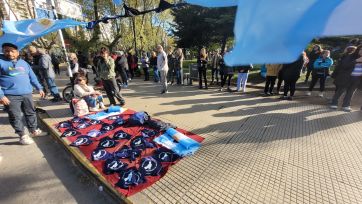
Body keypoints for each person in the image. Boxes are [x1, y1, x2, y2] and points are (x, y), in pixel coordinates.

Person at [0, 43, 47, 145]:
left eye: (12, 51)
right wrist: (1, 95)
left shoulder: (24, 63)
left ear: (17, 52)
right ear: (3, 51)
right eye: (6, 51)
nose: (9, 53)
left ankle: (34, 131)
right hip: (10, 96)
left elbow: (32, 77)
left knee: (31, 112)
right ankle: (22, 135)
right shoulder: (1, 62)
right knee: (15, 116)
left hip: (27, 93)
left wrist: (39, 88)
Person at [330, 46, 362, 111]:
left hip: (357, 78)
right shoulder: (350, 56)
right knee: (341, 91)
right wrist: (356, 61)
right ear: (358, 50)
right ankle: (334, 103)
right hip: (347, 77)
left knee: (350, 92)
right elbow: (344, 65)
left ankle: (346, 105)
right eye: (361, 50)